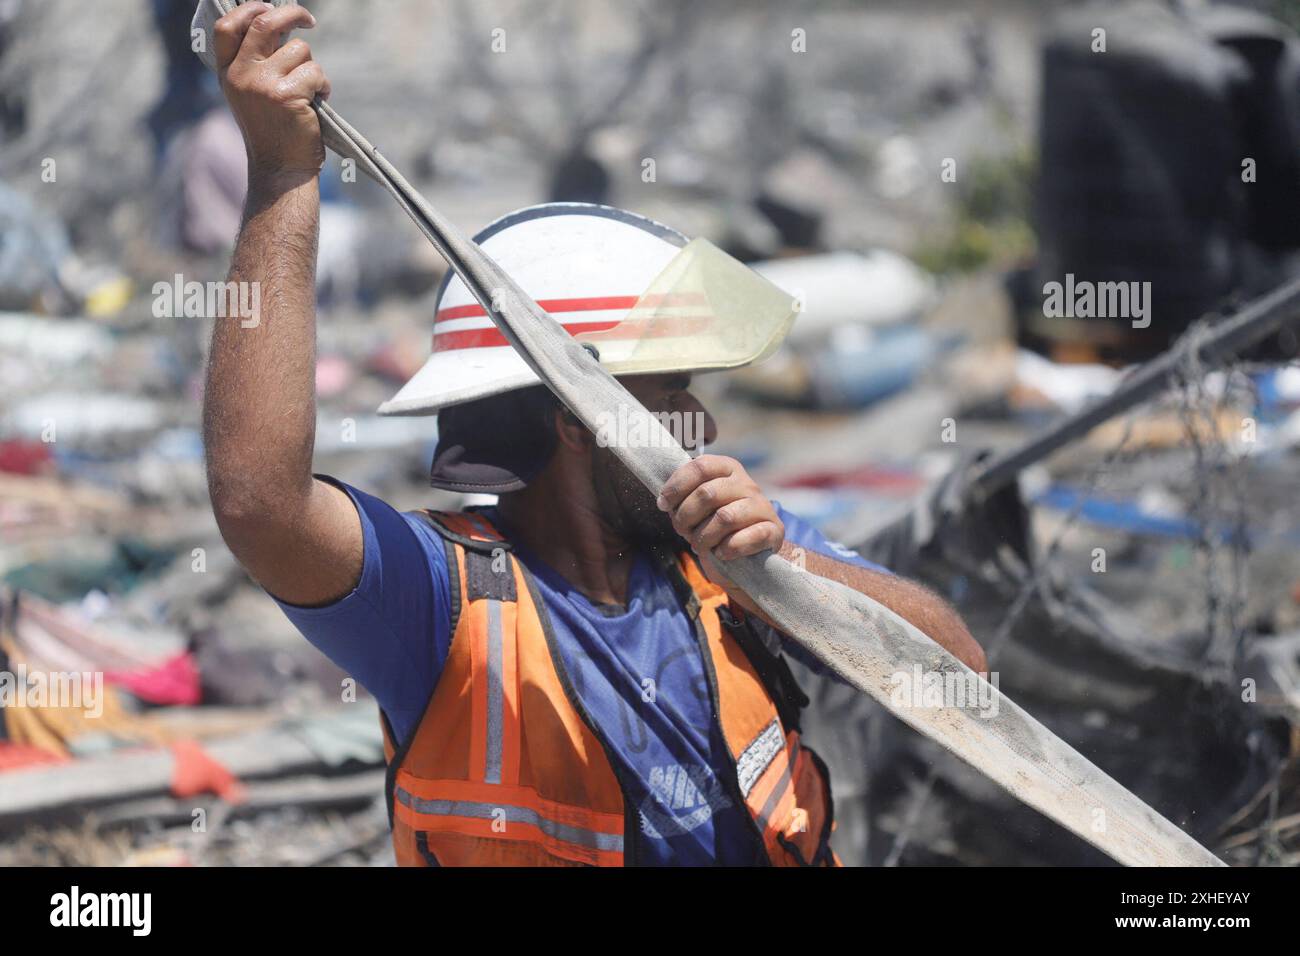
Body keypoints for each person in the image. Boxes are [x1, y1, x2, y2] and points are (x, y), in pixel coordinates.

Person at [202, 2, 986, 867]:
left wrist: (786, 573)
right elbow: (262, 505)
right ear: (580, 421)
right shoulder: (441, 605)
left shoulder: (728, 558)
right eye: (672, 394)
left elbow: (962, 681)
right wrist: (282, 175)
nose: (703, 425)